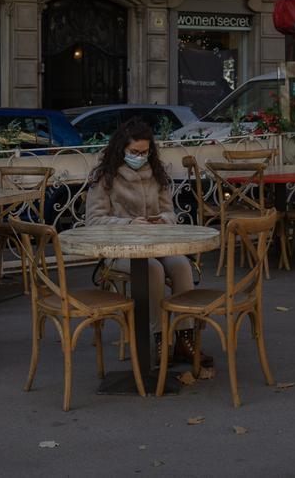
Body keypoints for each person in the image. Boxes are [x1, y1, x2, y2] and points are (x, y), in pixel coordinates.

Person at [85, 119, 211, 367]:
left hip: (157, 243)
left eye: (145, 152)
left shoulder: (157, 174)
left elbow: (171, 214)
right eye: (135, 152)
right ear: (122, 149)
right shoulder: (105, 178)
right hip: (119, 250)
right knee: (152, 269)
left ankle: (185, 337)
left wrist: (160, 220)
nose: (140, 157)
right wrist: (129, 224)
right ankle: (158, 338)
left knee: (181, 266)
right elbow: (94, 221)